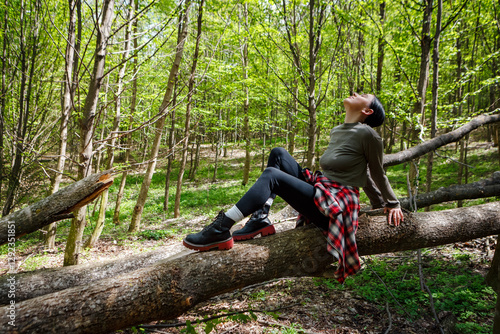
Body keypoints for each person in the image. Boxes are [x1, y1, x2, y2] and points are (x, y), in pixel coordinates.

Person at [183, 92, 404, 283]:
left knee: (272, 176)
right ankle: (260, 218)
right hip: (323, 189)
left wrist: (390, 204)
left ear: (367, 111)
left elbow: (375, 173)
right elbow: (361, 171)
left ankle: (222, 227)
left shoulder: (370, 136)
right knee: (278, 153)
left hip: (336, 205)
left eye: (363, 96)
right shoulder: (339, 130)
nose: (356, 93)